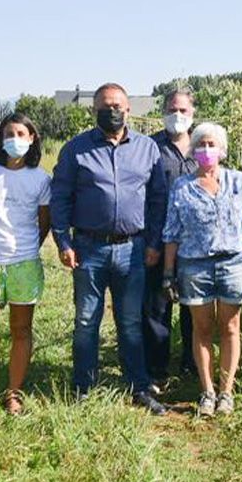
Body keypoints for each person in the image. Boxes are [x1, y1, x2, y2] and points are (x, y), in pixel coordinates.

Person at [50, 83, 168, 414]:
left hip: (133, 248)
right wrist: (63, 241)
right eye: (105, 105)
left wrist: (155, 242)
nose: (112, 110)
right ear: (94, 110)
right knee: (87, 319)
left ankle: (138, 386)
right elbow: (60, 196)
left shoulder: (147, 148)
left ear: (129, 109)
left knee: (130, 320)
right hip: (89, 247)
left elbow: (158, 199)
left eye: (117, 105)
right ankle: (83, 387)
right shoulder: (75, 149)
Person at [162, 122, 242, 417]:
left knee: (231, 327)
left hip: (233, 262)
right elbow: (172, 232)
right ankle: (207, 390)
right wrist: (168, 273)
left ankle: (227, 390)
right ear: (193, 151)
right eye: (201, 145)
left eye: (212, 145)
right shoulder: (182, 187)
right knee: (202, 328)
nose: (207, 150)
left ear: (222, 150)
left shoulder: (238, 182)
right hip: (195, 266)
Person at [0, 113, 51, 414]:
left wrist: (24, 249)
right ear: (0, 140)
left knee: (21, 330)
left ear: (31, 139)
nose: (14, 140)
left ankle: (13, 392)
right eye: (8, 134)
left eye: (20, 134)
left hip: (24, 263)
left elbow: (44, 224)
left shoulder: (40, 179)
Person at [145, 88, 198, 388]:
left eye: (183, 111)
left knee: (193, 305)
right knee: (157, 307)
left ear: (192, 114)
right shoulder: (151, 147)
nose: (177, 115)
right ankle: (157, 369)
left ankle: (191, 364)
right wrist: (151, 242)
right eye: (172, 109)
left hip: (193, 243)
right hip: (158, 240)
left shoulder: (202, 146)